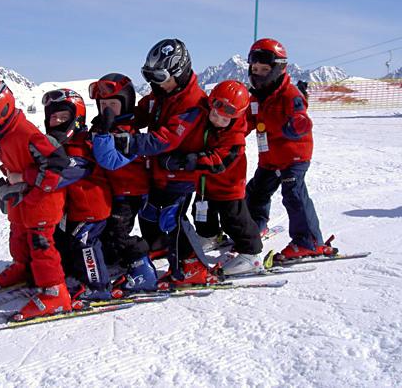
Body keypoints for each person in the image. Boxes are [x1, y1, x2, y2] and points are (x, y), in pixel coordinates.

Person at [0, 80, 72, 320]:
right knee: (18, 233)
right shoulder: (6, 134)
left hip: (43, 202)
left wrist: (23, 177)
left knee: (41, 244)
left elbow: (57, 166)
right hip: (23, 200)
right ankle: (23, 268)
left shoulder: (26, 134)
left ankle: (56, 293)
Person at [111, 38, 215, 287]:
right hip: (159, 172)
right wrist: (122, 122)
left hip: (181, 174)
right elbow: (143, 112)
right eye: (150, 76)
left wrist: (132, 142)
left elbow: (166, 139)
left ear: (178, 72)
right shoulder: (162, 93)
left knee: (173, 219)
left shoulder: (193, 102)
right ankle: (159, 247)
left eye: (159, 76)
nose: (153, 82)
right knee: (149, 214)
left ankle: (193, 266)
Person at [160, 80, 263, 275]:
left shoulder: (235, 139)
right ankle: (210, 236)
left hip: (228, 188)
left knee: (235, 219)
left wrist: (188, 161)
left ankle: (251, 253)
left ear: (236, 117)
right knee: (201, 215)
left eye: (224, 119)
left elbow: (218, 162)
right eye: (214, 114)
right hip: (204, 185)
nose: (217, 120)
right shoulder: (204, 118)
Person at [245, 38, 334, 261]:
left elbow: (302, 119)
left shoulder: (290, 94)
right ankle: (256, 225)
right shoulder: (257, 96)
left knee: (293, 194)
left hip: (293, 157)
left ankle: (309, 241)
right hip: (270, 158)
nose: (258, 74)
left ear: (278, 69)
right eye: (255, 69)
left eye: (264, 70)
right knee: (256, 192)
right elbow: (247, 122)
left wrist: (294, 125)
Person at [41, 88, 114, 303]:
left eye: (64, 117)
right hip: (75, 210)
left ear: (77, 119)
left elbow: (66, 172)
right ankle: (73, 273)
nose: (57, 121)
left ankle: (99, 287)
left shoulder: (82, 145)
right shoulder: (60, 146)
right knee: (68, 241)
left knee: (86, 244)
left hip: (92, 209)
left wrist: (31, 177)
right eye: (53, 117)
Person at [88, 73, 152, 287]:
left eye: (112, 104)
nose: (107, 109)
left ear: (126, 105)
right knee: (104, 232)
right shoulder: (101, 127)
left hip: (129, 194)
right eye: (103, 104)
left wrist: (104, 133)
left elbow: (110, 161)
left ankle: (142, 265)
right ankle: (113, 258)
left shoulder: (129, 134)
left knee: (118, 234)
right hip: (111, 192)